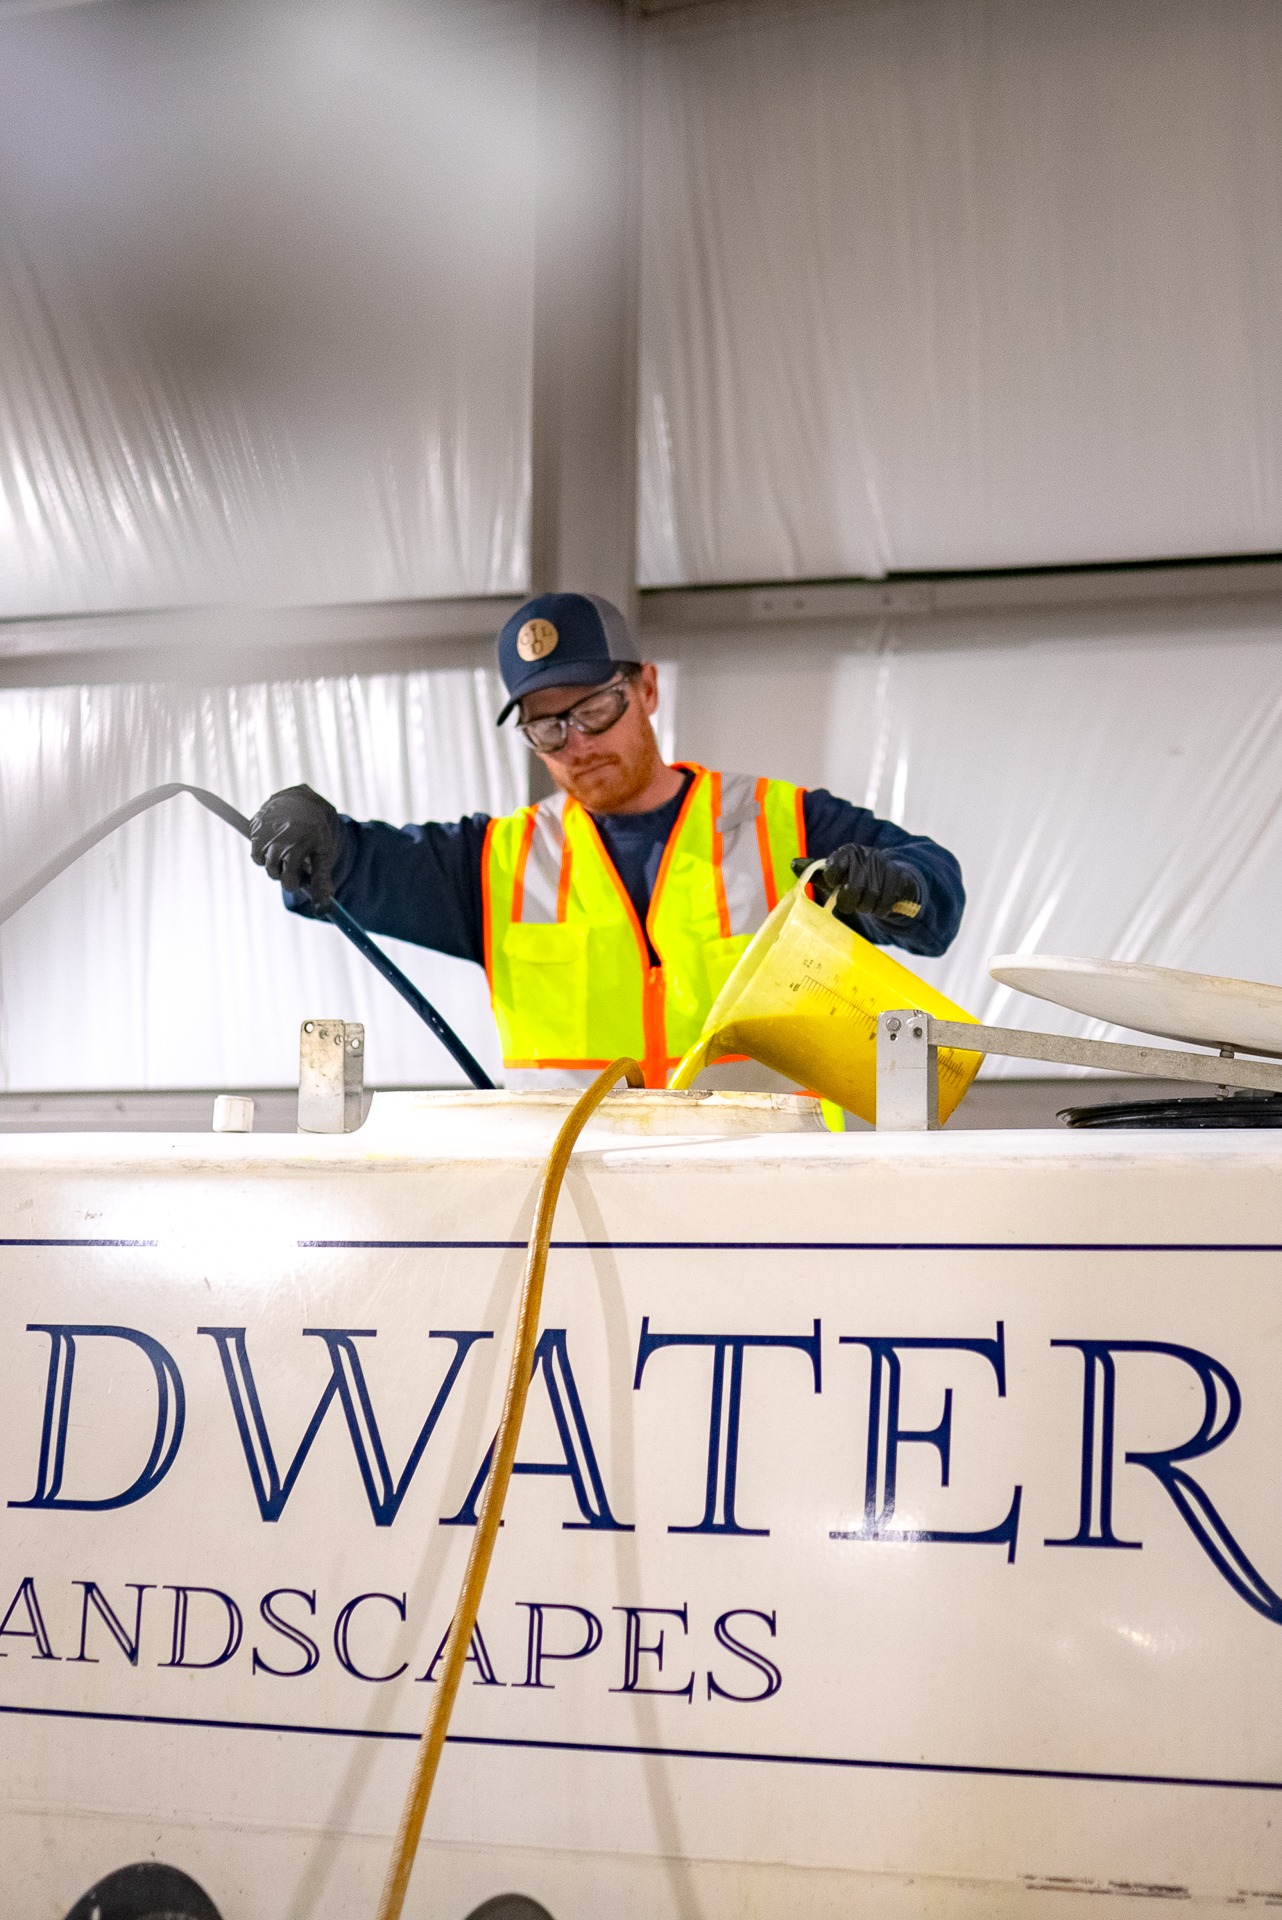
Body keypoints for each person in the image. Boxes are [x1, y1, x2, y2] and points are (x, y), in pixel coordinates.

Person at [250, 592, 964, 1089]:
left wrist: (893, 889)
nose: (577, 742)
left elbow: (934, 898)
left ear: (646, 689)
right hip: (577, 1228)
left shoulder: (783, 825)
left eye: (595, 708)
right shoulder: (494, 866)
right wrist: (315, 832)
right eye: (548, 727)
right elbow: (354, 869)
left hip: (768, 1215)